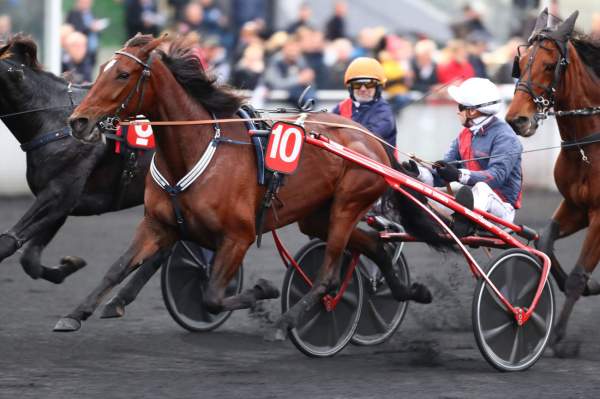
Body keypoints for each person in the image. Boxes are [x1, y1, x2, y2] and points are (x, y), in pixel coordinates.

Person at [405, 78, 522, 235]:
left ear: (472, 111)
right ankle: (452, 221)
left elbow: (496, 177)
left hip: (501, 213)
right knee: (436, 189)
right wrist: (419, 173)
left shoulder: (505, 136)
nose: (457, 111)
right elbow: (444, 169)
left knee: (481, 188)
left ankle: (464, 222)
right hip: (472, 203)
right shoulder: (465, 134)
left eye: (460, 107)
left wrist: (459, 174)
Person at [332, 57, 397, 147]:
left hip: (375, 160)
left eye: (369, 84)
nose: (363, 89)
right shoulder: (340, 108)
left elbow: (367, 139)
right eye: (357, 84)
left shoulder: (384, 112)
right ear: (351, 87)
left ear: (378, 87)